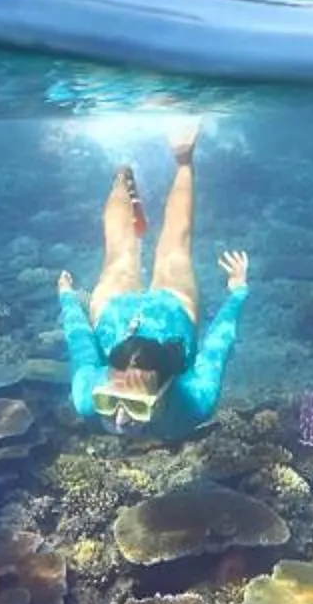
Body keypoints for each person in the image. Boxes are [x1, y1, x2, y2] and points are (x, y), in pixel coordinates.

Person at [58, 122, 249, 436]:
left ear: (167, 387)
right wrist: (238, 292)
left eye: (136, 406)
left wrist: (68, 299)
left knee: (119, 249)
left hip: (114, 314)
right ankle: (183, 160)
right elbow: (218, 342)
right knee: (175, 243)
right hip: (172, 311)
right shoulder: (196, 404)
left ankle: (123, 170)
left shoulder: (87, 399)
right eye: (110, 401)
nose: (119, 421)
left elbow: (80, 342)